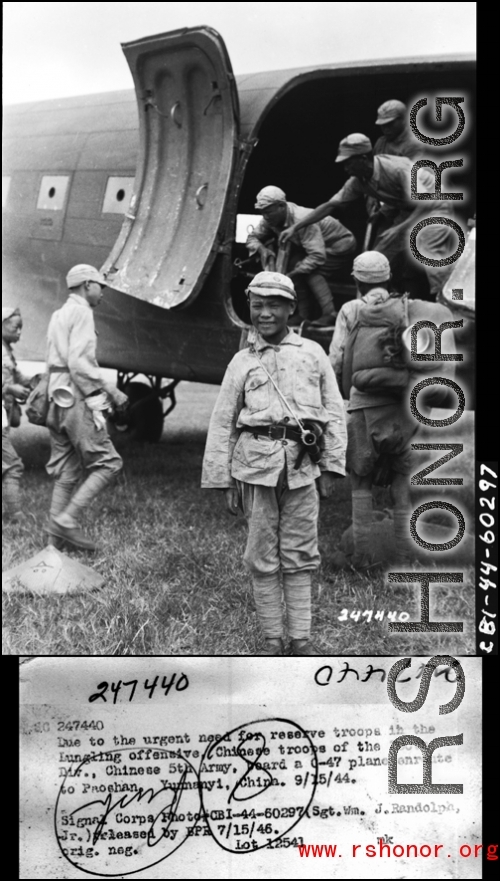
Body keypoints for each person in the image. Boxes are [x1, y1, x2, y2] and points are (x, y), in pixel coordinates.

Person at [202, 271, 347, 655]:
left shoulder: (312, 353)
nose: (264, 313)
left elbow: (333, 412)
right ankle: (271, 638)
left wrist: (330, 467)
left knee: (301, 553)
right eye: (257, 305)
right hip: (254, 467)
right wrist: (223, 480)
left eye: (274, 305)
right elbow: (222, 422)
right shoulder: (241, 362)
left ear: (291, 308)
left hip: (302, 469)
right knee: (261, 554)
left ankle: (300, 639)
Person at [330, 251, 455, 568]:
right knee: (401, 484)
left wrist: (347, 395)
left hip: (363, 407)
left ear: (356, 280)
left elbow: (339, 359)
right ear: (388, 278)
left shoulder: (351, 310)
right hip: (403, 408)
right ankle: (402, 556)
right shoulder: (409, 310)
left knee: (361, 483)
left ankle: (362, 556)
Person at [280, 133, 459, 300]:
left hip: (435, 205)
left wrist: (398, 228)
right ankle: (374, 306)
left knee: (430, 250)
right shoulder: (358, 181)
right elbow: (331, 205)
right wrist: (295, 227)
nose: (346, 168)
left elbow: (426, 202)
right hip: (410, 210)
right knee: (378, 257)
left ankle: (451, 304)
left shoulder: (397, 169)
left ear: (363, 159)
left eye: (348, 163)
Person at [45, 264, 129, 551]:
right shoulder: (82, 313)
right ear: (86, 285)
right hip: (76, 397)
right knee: (109, 463)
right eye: (100, 285)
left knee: (66, 471)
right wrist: (110, 392)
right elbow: (79, 364)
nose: (103, 292)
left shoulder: (59, 314)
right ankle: (67, 520)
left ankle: (53, 547)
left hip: (55, 399)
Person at [247, 185, 356, 324]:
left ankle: (330, 313)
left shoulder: (301, 219)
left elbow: (317, 256)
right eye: (262, 212)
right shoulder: (269, 219)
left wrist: (292, 274)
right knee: (296, 266)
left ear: (281, 206)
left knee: (311, 271)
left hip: (339, 245)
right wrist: (262, 249)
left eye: (268, 212)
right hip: (313, 247)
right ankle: (303, 315)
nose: (265, 216)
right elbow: (252, 239)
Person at [2, 306, 32, 522]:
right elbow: (9, 382)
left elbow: (16, 375)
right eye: (16, 327)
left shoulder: (6, 351)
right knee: (12, 465)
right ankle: (16, 516)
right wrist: (10, 389)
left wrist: (37, 381)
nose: (20, 332)